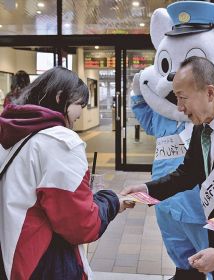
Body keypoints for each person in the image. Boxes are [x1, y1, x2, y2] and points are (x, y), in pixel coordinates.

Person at [121, 56, 214, 279]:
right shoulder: (202, 126)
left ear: (209, 92)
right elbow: (187, 174)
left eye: (183, 98)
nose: (179, 108)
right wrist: (146, 190)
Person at [0, 67, 131, 280]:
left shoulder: (11, 132)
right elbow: (81, 224)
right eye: (80, 104)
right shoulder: (59, 142)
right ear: (61, 97)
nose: (81, 112)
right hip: (43, 265)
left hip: (13, 257)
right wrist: (111, 201)